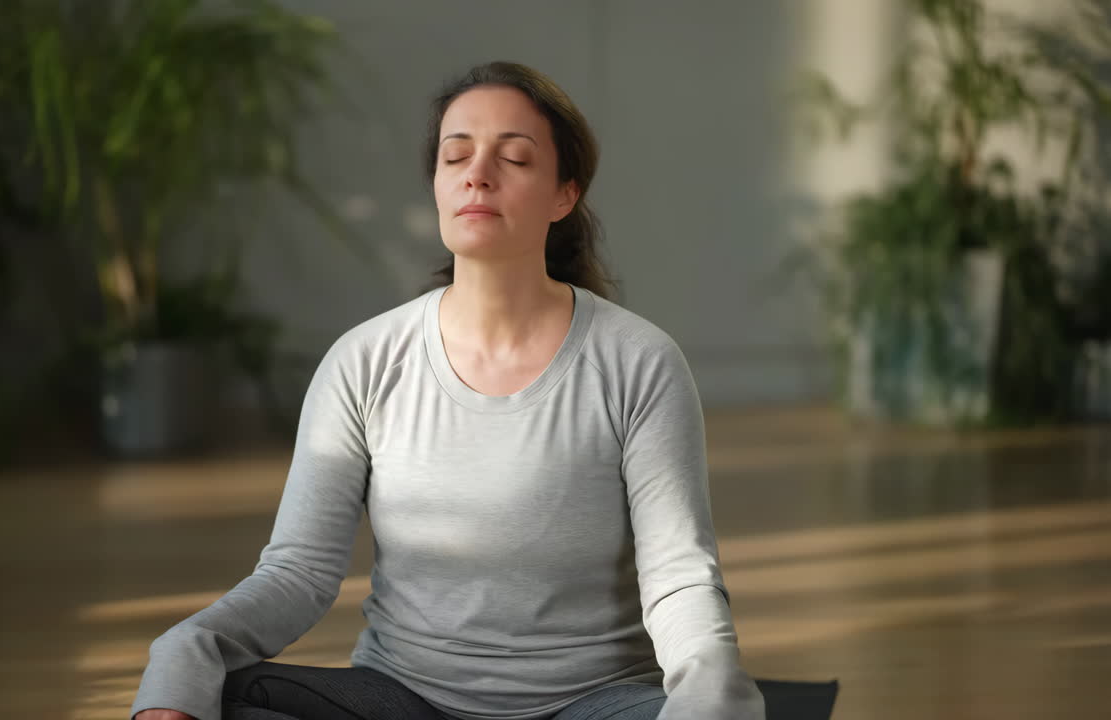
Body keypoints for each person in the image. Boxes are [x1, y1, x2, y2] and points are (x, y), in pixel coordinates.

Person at [131, 61, 765, 720]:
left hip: (593, 705)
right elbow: (298, 573)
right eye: (455, 154)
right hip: (399, 701)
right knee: (219, 699)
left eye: (514, 158)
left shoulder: (640, 363)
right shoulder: (364, 361)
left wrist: (710, 700)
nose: (477, 173)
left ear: (563, 195)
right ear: (437, 181)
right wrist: (185, 653)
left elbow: (680, 580)